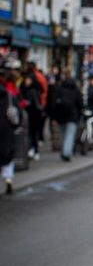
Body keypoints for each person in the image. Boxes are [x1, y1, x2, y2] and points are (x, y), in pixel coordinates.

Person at [50, 73, 83, 161]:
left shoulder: (60, 90)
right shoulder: (76, 90)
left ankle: (63, 151)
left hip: (61, 116)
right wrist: (79, 114)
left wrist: (54, 117)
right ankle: (66, 152)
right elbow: (80, 104)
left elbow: (54, 104)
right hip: (72, 116)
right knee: (70, 135)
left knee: (63, 134)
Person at [1, 61, 22, 194]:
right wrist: (17, 126)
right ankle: (8, 179)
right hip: (6, 130)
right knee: (7, 155)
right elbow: (17, 113)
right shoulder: (9, 96)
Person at [19, 64, 45, 160]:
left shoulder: (33, 90)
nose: (27, 81)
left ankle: (33, 149)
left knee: (33, 133)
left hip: (34, 115)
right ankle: (32, 149)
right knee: (31, 133)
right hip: (31, 114)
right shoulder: (27, 88)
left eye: (28, 80)